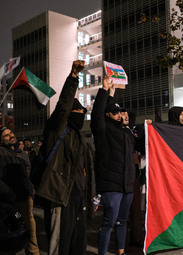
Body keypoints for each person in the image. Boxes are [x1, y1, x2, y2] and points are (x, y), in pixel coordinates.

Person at [36, 60, 95, 255]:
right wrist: (73, 78)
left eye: (83, 112)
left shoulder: (81, 137)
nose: (81, 114)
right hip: (61, 196)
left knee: (78, 242)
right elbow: (63, 106)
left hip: (78, 196)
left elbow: (88, 169)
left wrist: (91, 196)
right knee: (60, 242)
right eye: (77, 111)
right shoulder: (57, 129)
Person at [91, 77, 136, 255]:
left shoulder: (126, 133)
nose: (120, 115)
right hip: (111, 185)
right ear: (108, 115)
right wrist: (104, 90)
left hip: (127, 185)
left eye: (121, 113)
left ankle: (120, 252)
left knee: (122, 221)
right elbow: (98, 114)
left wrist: (112, 93)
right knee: (109, 222)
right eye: (116, 113)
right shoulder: (102, 130)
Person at [0, 126, 39, 255]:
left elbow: (27, 171)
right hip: (9, 201)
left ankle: (33, 252)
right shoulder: (1, 153)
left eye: (11, 133)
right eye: (6, 135)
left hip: (25, 198)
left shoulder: (22, 153)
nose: (11, 135)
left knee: (31, 230)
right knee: (12, 227)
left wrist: (28, 189)